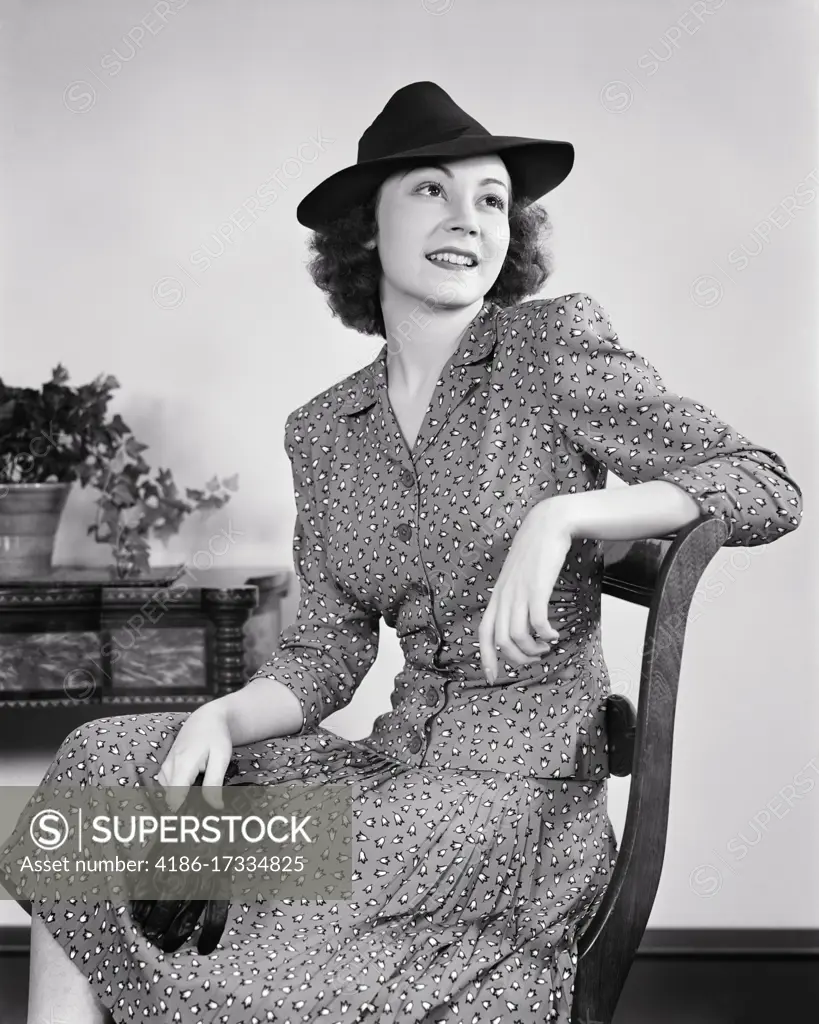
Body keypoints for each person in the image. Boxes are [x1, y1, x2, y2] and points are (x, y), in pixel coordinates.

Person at [1, 81, 803, 1024]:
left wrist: (563, 516)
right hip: (394, 773)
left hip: (517, 808)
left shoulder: (551, 351)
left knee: (278, 903)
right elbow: (327, 654)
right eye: (430, 190)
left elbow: (765, 485)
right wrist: (223, 717)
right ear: (363, 229)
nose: (468, 218)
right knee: (99, 773)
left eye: (493, 199)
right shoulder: (325, 431)